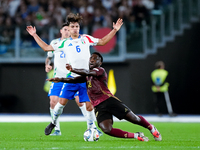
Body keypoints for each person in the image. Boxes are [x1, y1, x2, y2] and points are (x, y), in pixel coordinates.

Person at [26, 13, 122, 136]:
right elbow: (46, 48)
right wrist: (34, 35)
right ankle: (53, 123)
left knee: (89, 106)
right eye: (73, 26)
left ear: (79, 28)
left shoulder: (86, 39)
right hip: (71, 78)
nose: (75, 28)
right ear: (69, 28)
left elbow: (102, 42)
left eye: (77, 26)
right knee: (60, 104)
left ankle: (91, 129)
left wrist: (114, 30)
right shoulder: (64, 43)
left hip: (86, 79)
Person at [47, 52, 162, 141]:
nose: (92, 60)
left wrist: (73, 69)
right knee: (106, 129)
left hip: (109, 101)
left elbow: (86, 73)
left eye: (95, 59)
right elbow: (73, 80)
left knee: (134, 119)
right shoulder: (87, 74)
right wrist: (60, 79)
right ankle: (136, 135)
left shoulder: (99, 70)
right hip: (99, 106)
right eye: (91, 58)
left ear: (100, 63)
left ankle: (151, 128)